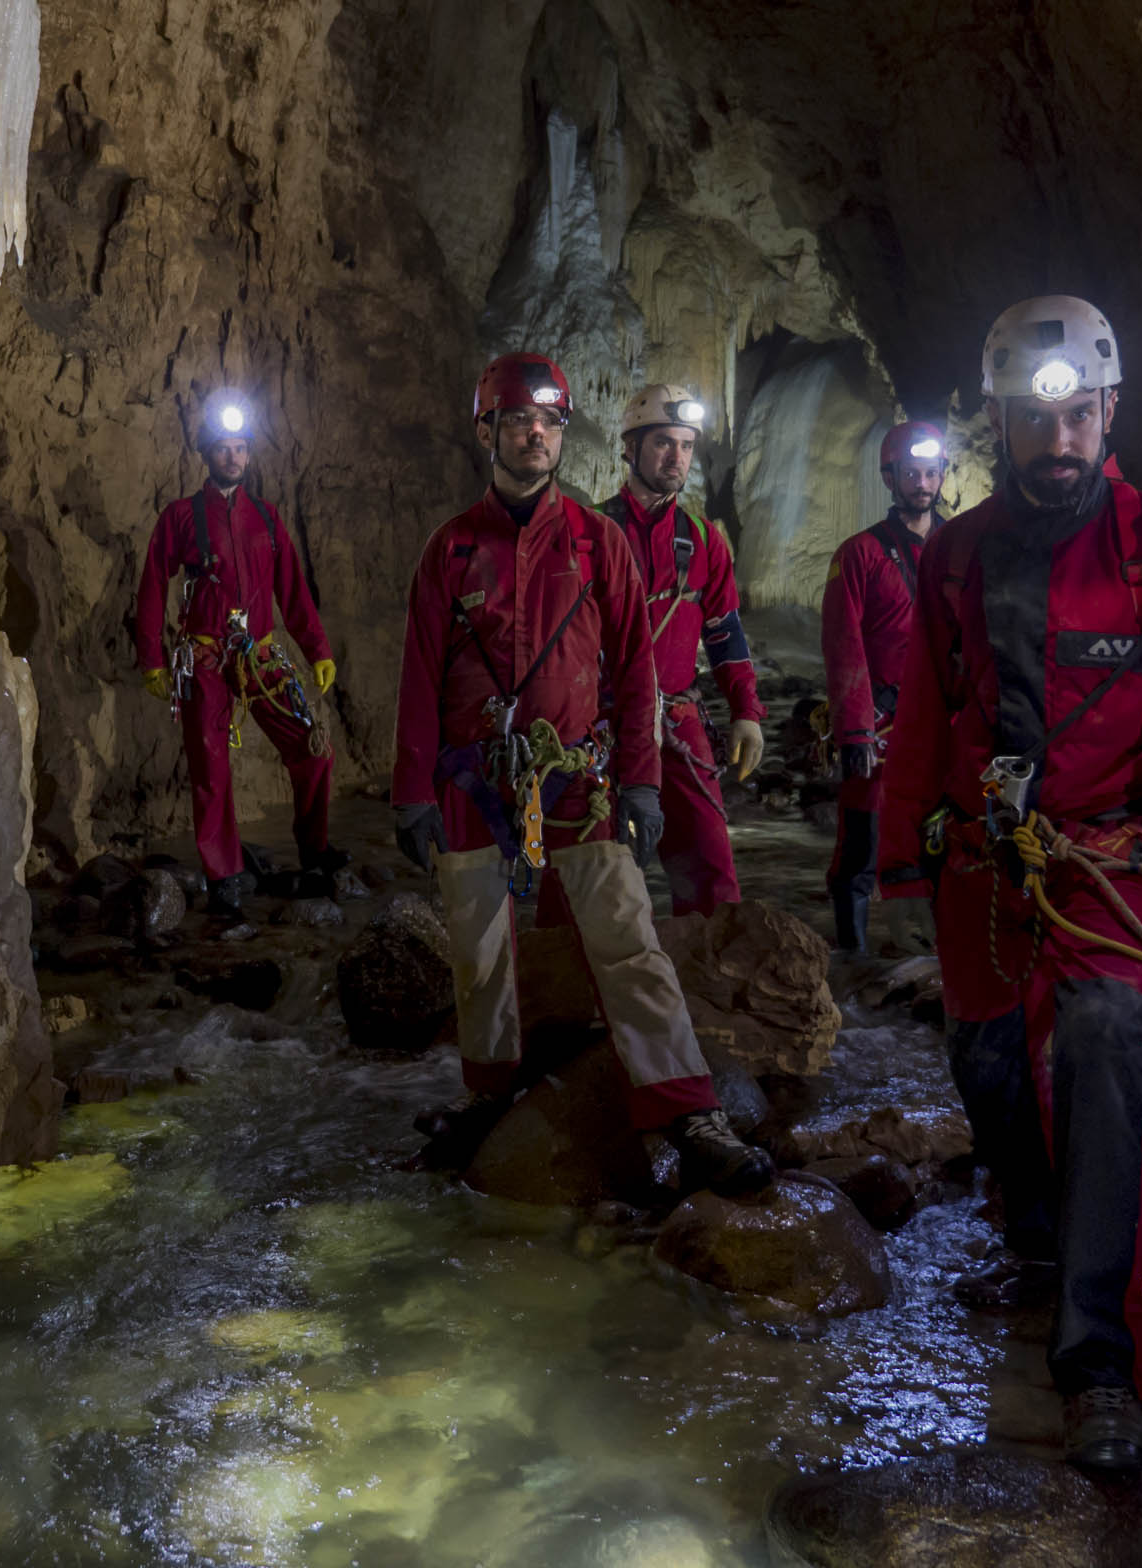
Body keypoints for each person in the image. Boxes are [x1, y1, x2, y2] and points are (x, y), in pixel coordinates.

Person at [875, 297, 1142, 1474]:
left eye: (1079, 420)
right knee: (984, 1061)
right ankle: (1039, 1240)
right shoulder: (958, 550)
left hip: (1110, 864)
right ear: (999, 421)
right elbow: (932, 707)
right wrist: (900, 850)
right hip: (988, 859)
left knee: (1100, 1051)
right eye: (1036, 424)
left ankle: (1099, 1358)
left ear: (1109, 412)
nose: (1060, 445)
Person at [391, 352, 773, 1195]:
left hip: (578, 779)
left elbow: (637, 668)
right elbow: (419, 673)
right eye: (521, 420)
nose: (537, 434)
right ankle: (491, 1096)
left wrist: (640, 779)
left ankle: (686, 1106)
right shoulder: (451, 550)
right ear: (487, 430)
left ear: (565, 434)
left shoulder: (598, 542)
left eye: (552, 422)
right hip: (472, 783)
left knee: (627, 939)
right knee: (480, 951)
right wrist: (411, 790)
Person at [134, 392, 340, 916]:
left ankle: (315, 850)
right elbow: (154, 586)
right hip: (206, 659)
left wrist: (316, 648)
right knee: (210, 767)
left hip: (261, 658)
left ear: (249, 454)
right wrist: (153, 659)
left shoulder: (266, 520)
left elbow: (293, 591)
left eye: (241, 448)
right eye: (223, 448)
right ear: (207, 452)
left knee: (313, 749)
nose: (233, 457)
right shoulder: (181, 517)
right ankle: (223, 874)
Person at [574, 382, 765, 913]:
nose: (676, 456)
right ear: (630, 448)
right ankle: (572, 982)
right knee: (587, 871)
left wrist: (746, 712)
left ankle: (705, 986)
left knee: (711, 871)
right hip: (603, 724)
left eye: (685, 445)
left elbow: (725, 634)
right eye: (662, 443)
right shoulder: (588, 533)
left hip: (678, 719)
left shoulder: (704, 541)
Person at [819, 419, 948, 951]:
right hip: (881, 724)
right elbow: (843, 647)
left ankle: (936, 960)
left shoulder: (963, 548)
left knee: (946, 840)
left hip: (947, 726)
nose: (923, 483)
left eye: (931, 472)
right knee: (862, 845)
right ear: (890, 479)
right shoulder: (859, 556)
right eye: (911, 473)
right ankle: (853, 957)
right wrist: (852, 733)